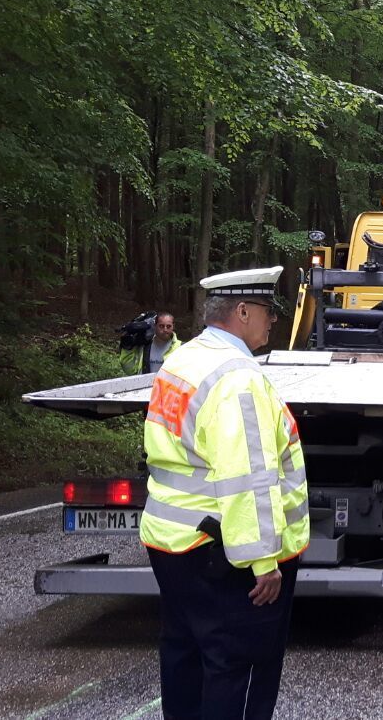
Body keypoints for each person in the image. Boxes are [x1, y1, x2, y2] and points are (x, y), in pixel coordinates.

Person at [138, 267, 309, 720]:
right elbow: (246, 477)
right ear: (243, 311)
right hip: (223, 555)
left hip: (173, 543)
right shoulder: (238, 379)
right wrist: (263, 562)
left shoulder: (184, 359)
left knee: (185, 657)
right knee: (239, 668)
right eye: (268, 311)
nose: (273, 320)